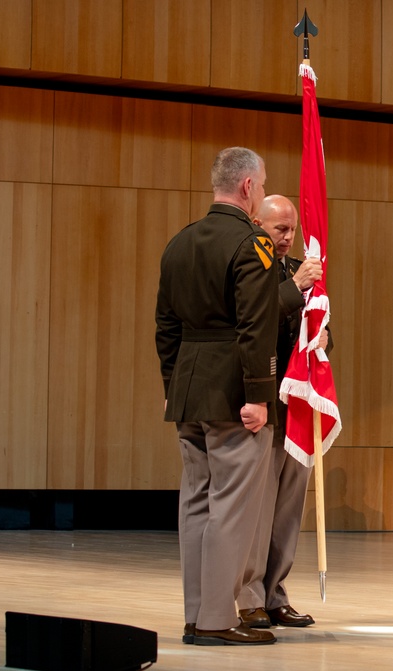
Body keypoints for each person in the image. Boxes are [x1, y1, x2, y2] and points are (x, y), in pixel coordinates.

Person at [155, 146, 280, 646]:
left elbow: (165, 326)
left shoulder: (180, 242)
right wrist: (258, 395)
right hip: (232, 393)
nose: (264, 193)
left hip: (188, 388)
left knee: (197, 505)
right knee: (231, 508)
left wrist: (171, 387)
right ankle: (215, 620)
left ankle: (196, 614)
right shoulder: (253, 244)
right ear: (248, 187)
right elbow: (255, 327)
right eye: (264, 184)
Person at [236, 195, 326, 630]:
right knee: (258, 505)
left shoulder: (296, 272)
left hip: (298, 405)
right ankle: (249, 596)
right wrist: (296, 290)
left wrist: (324, 340)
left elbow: (317, 329)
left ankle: (275, 593)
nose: (288, 239)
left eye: (292, 230)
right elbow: (253, 319)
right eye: (280, 230)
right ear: (258, 224)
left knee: (289, 506)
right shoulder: (250, 266)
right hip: (261, 402)